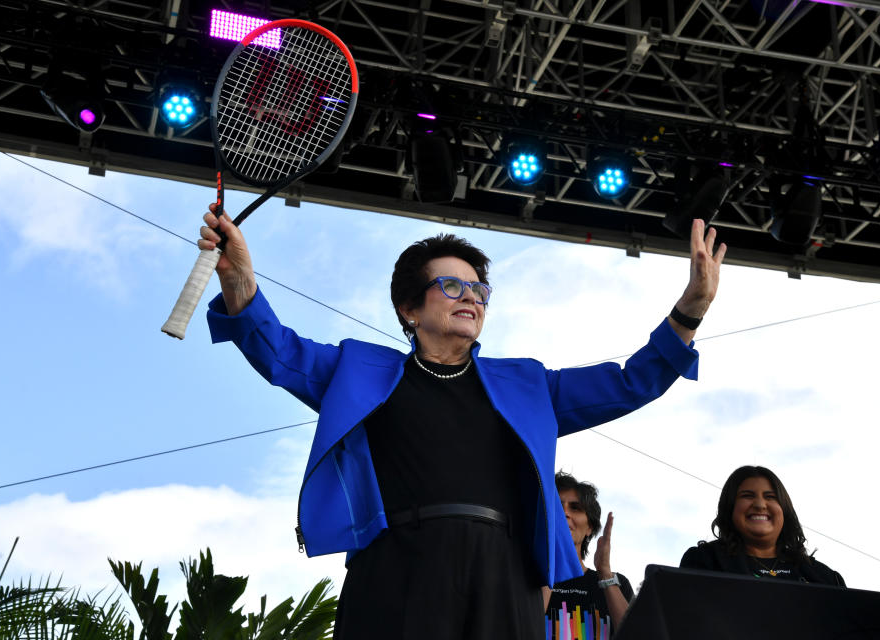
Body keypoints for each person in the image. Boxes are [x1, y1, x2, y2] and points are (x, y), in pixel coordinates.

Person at [198, 205, 726, 640]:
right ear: (409, 307)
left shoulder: (528, 385)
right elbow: (279, 353)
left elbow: (630, 381)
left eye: (479, 290)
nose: (471, 296)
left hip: (504, 574)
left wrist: (690, 310)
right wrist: (240, 278)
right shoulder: (358, 371)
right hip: (395, 567)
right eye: (452, 286)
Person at [680, 465, 845, 586]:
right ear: (730, 508)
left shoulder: (825, 577)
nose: (760, 504)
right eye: (747, 495)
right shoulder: (704, 561)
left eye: (771, 497)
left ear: (784, 510)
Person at [544, 473, 633, 639]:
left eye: (575, 508)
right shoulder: (525, 580)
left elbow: (636, 635)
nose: (564, 513)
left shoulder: (616, 584)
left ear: (590, 527)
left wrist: (605, 573)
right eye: (556, 506)